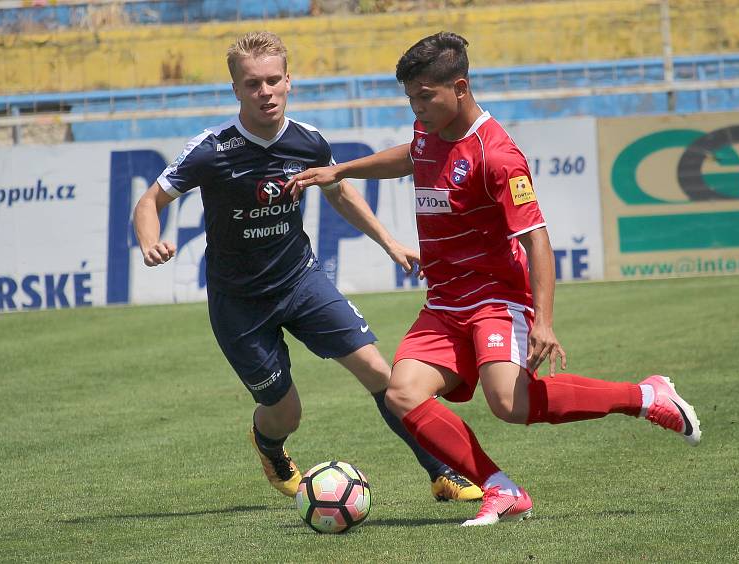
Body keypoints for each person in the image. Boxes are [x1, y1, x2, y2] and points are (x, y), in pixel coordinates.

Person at [288, 31, 702, 527]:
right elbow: (411, 155)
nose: (416, 108)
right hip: (443, 301)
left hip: (495, 299)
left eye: (425, 96)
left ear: (460, 88)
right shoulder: (428, 131)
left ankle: (645, 397)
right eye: (410, 97)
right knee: (402, 394)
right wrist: (344, 170)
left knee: (509, 403)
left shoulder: (498, 156)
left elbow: (537, 240)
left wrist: (544, 322)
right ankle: (500, 488)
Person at [132, 31, 482, 503]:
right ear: (236, 89)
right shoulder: (211, 151)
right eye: (253, 83)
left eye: (273, 80)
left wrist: (389, 242)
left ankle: (442, 472)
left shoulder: (308, 141)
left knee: (382, 374)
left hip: (301, 281)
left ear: (289, 81)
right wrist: (150, 241)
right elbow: (150, 200)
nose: (265, 92)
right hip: (240, 304)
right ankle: (269, 443)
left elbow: (339, 191)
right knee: (285, 413)